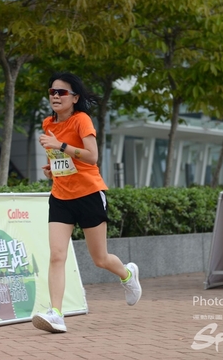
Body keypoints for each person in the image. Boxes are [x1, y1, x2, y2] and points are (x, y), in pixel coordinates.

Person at [32, 72, 142, 334]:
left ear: (75, 98)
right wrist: (52, 169)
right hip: (61, 197)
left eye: (62, 92)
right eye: (52, 92)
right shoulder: (48, 123)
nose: (55, 96)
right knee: (57, 255)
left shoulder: (81, 120)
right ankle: (56, 314)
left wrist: (60, 145)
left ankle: (127, 274)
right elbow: (61, 160)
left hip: (89, 194)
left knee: (100, 259)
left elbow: (92, 157)